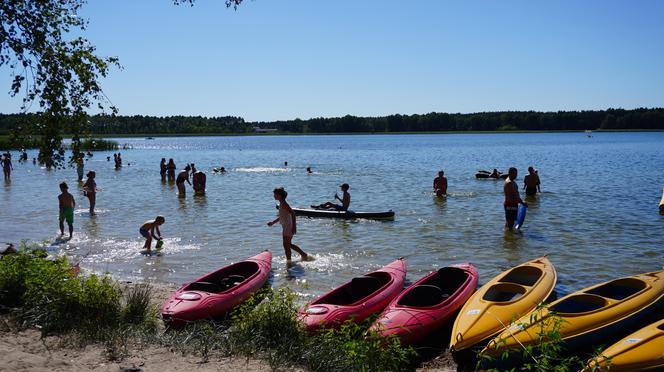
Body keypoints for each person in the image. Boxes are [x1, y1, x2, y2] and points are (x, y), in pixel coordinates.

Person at [268, 187, 308, 261]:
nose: (274, 196)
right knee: (288, 245)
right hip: (286, 226)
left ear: (279, 195)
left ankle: (289, 261)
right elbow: (281, 216)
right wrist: (273, 222)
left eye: (275, 194)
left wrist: (294, 226)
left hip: (289, 227)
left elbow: (293, 213)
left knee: (286, 245)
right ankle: (303, 255)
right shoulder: (281, 204)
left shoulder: (284, 204)